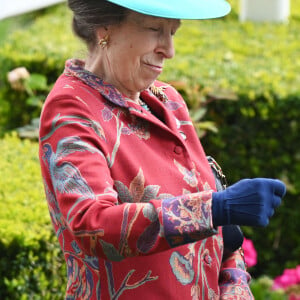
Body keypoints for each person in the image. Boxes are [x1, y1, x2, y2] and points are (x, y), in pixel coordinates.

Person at [38, 0, 286, 299]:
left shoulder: (167, 99)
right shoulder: (72, 108)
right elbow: (92, 225)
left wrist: (234, 286)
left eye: (173, 33)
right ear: (105, 28)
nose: (168, 50)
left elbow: (222, 238)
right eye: (155, 29)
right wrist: (215, 208)